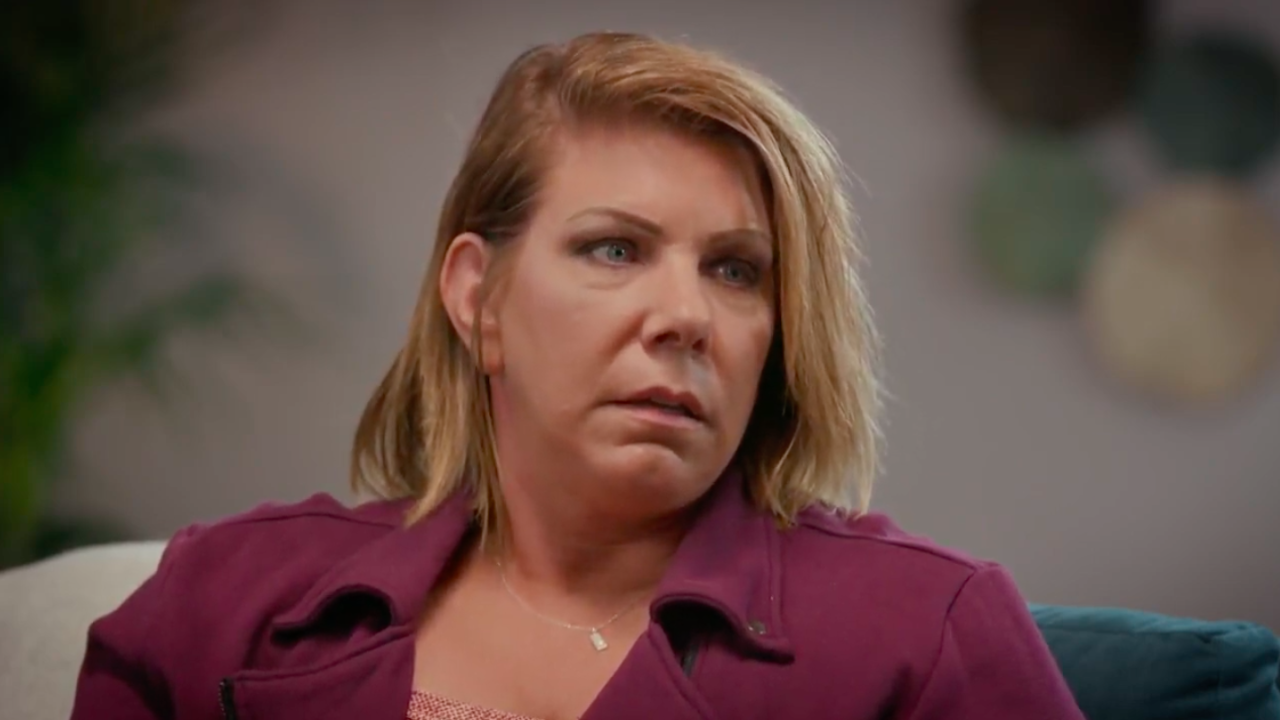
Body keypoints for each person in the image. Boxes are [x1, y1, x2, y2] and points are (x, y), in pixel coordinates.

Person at [70, 31, 1085, 720]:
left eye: (736, 270)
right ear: (478, 298)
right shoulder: (217, 601)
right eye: (614, 249)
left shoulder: (929, 636)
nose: (686, 316)